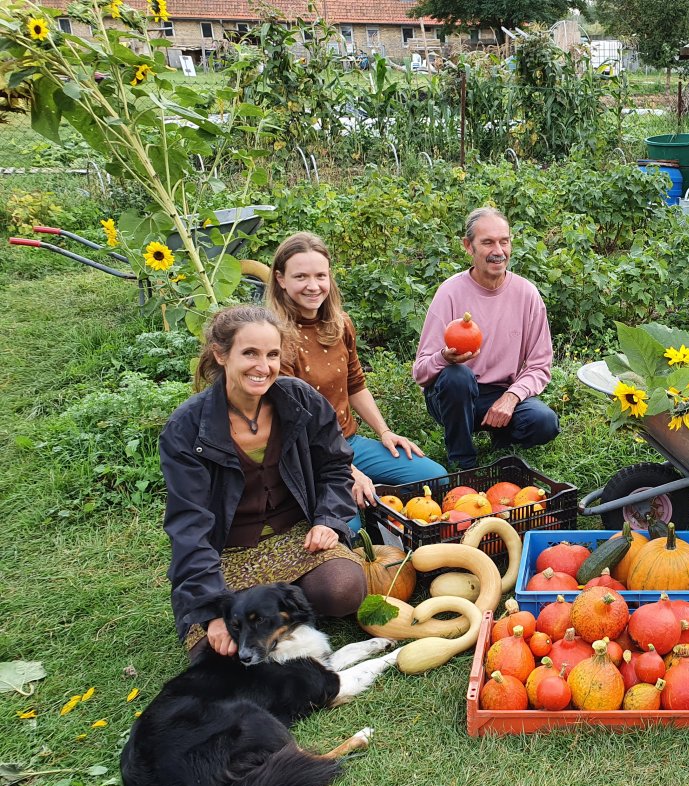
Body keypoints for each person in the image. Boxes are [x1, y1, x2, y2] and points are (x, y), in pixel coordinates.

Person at [160, 305, 367, 661]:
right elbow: (189, 526)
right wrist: (211, 611)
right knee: (214, 654)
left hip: (296, 538)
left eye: (272, 355)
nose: (263, 366)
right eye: (250, 353)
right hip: (226, 553)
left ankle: (270, 606)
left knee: (344, 589)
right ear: (221, 354)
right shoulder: (186, 429)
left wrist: (327, 520)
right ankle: (273, 606)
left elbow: (335, 465)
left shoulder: (299, 400)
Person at [268, 232, 446, 511]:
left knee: (434, 478)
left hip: (348, 441)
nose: (313, 286)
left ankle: (380, 500)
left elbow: (355, 385)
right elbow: (294, 423)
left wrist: (384, 431)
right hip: (309, 453)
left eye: (320, 276)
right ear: (281, 279)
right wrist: (347, 470)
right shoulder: (276, 338)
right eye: (301, 277)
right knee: (345, 523)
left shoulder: (340, 325)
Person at [413, 207, 559, 469]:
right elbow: (421, 372)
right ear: (468, 246)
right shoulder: (450, 293)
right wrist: (444, 358)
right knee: (458, 377)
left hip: (500, 391)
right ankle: (463, 460)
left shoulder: (526, 294)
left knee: (544, 421)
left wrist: (512, 397)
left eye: (504, 241)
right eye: (487, 242)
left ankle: (500, 435)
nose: (498, 251)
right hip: (453, 393)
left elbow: (539, 365)